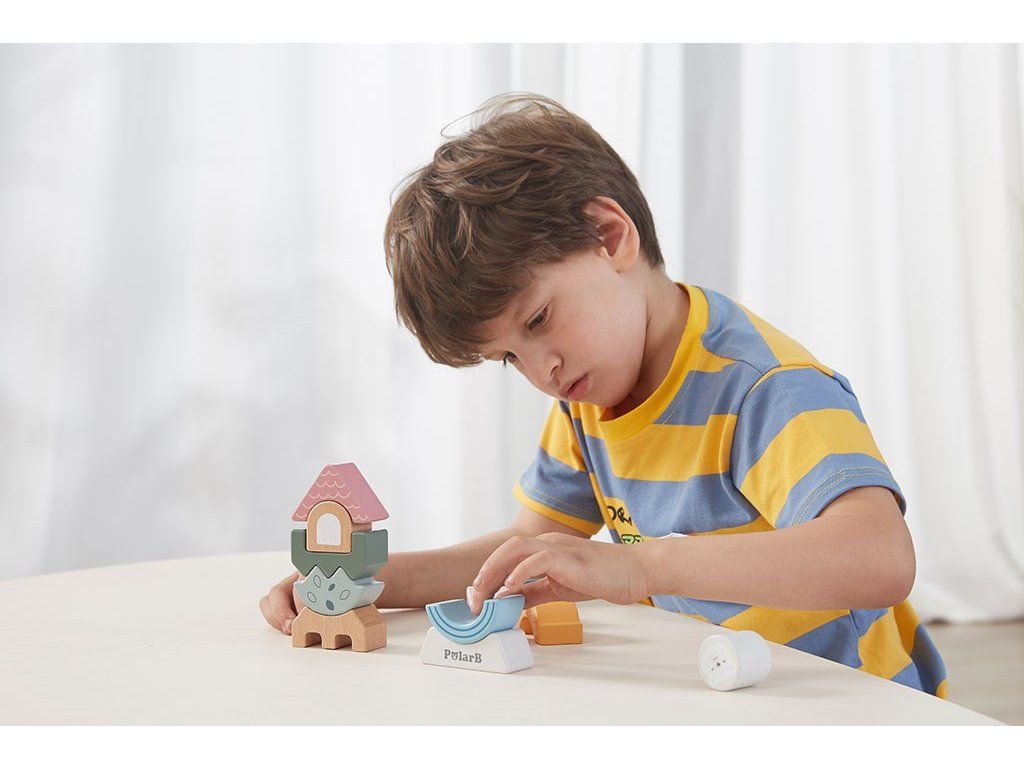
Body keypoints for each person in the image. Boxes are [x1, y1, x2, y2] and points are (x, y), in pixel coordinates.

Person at [260, 93, 947, 697]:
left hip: (849, 710)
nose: (542, 372)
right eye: (508, 358)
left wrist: (638, 567)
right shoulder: (586, 395)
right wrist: (359, 581)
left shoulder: (762, 386)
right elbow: (528, 549)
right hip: (727, 694)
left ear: (609, 236)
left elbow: (881, 558)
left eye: (538, 321)